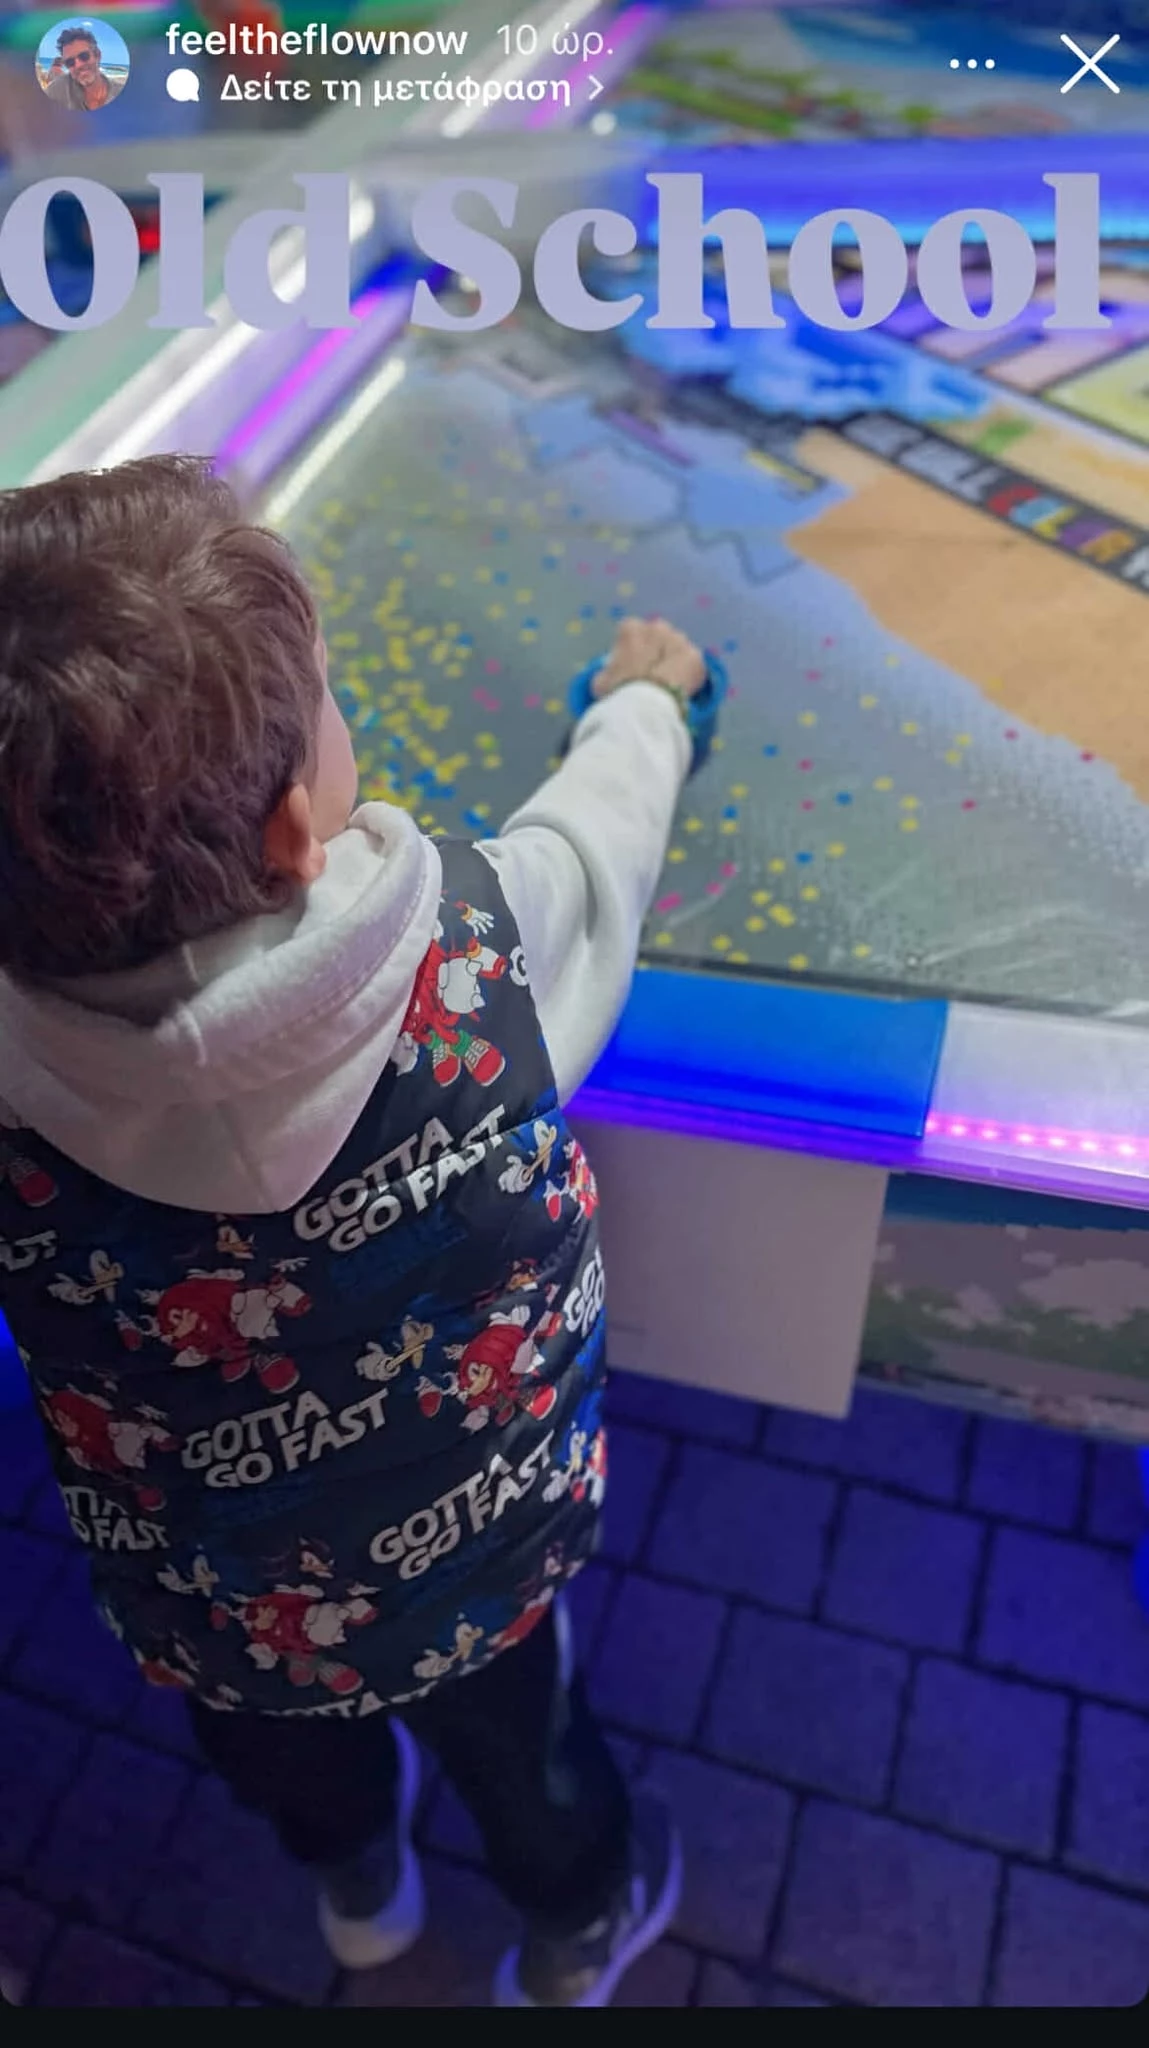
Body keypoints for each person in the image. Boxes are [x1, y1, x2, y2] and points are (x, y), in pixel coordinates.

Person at [0, 456, 711, 2007]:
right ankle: (576, 1929)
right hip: (478, 1558)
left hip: (215, 1599)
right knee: (526, 1750)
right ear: (293, 831)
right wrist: (647, 703)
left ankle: (360, 1896)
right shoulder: (478, 946)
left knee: (281, 1750)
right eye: (323, 703)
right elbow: (598, 843)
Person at [43, 25, 125, 111]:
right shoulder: (57, 90)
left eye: (84, 56)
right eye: (70, 62)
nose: (78, 65)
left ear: (98, 55)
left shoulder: (120, 92)